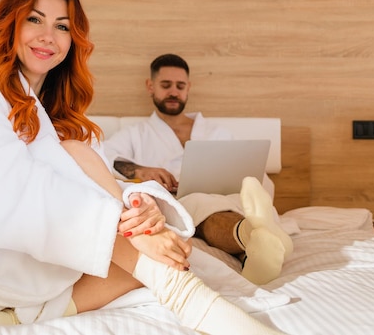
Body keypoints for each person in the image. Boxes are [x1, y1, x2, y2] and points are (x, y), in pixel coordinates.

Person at [0, 0, 286, 335]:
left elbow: (107, 184)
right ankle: (187, 296)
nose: (47, 36)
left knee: (161, 245)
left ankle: (23, 317)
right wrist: (131, 228)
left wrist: (142, 210)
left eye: (62, 26)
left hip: (46, 249)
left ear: (74, 40)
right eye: (34, 19)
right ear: (11, 24)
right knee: (91, 176)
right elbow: (2, 191)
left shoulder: (68, 119)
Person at [103, 53, 294, 285]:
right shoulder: (136, 134)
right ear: (150, 86)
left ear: (188, 88)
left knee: (251, 186)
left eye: (180, 86)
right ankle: (259, 236)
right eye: (166, 85)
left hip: (230, 195)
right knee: (199, 204)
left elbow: (249, 167)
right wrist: (140, 170)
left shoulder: (216, 133)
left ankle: (257, 242)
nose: (174, 91)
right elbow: (103, 157)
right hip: (187, 200)